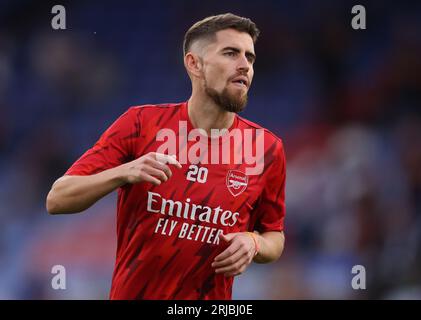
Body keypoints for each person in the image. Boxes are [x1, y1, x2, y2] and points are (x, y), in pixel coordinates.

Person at [46, 13, 286, 300]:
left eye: (250, 57)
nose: (244, 65)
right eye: (231, 53)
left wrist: (253, 241)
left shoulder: (267, 148)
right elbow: (57, 199)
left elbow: (275, 236)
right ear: (194, 64)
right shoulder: (140, 123)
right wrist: (124, 172)